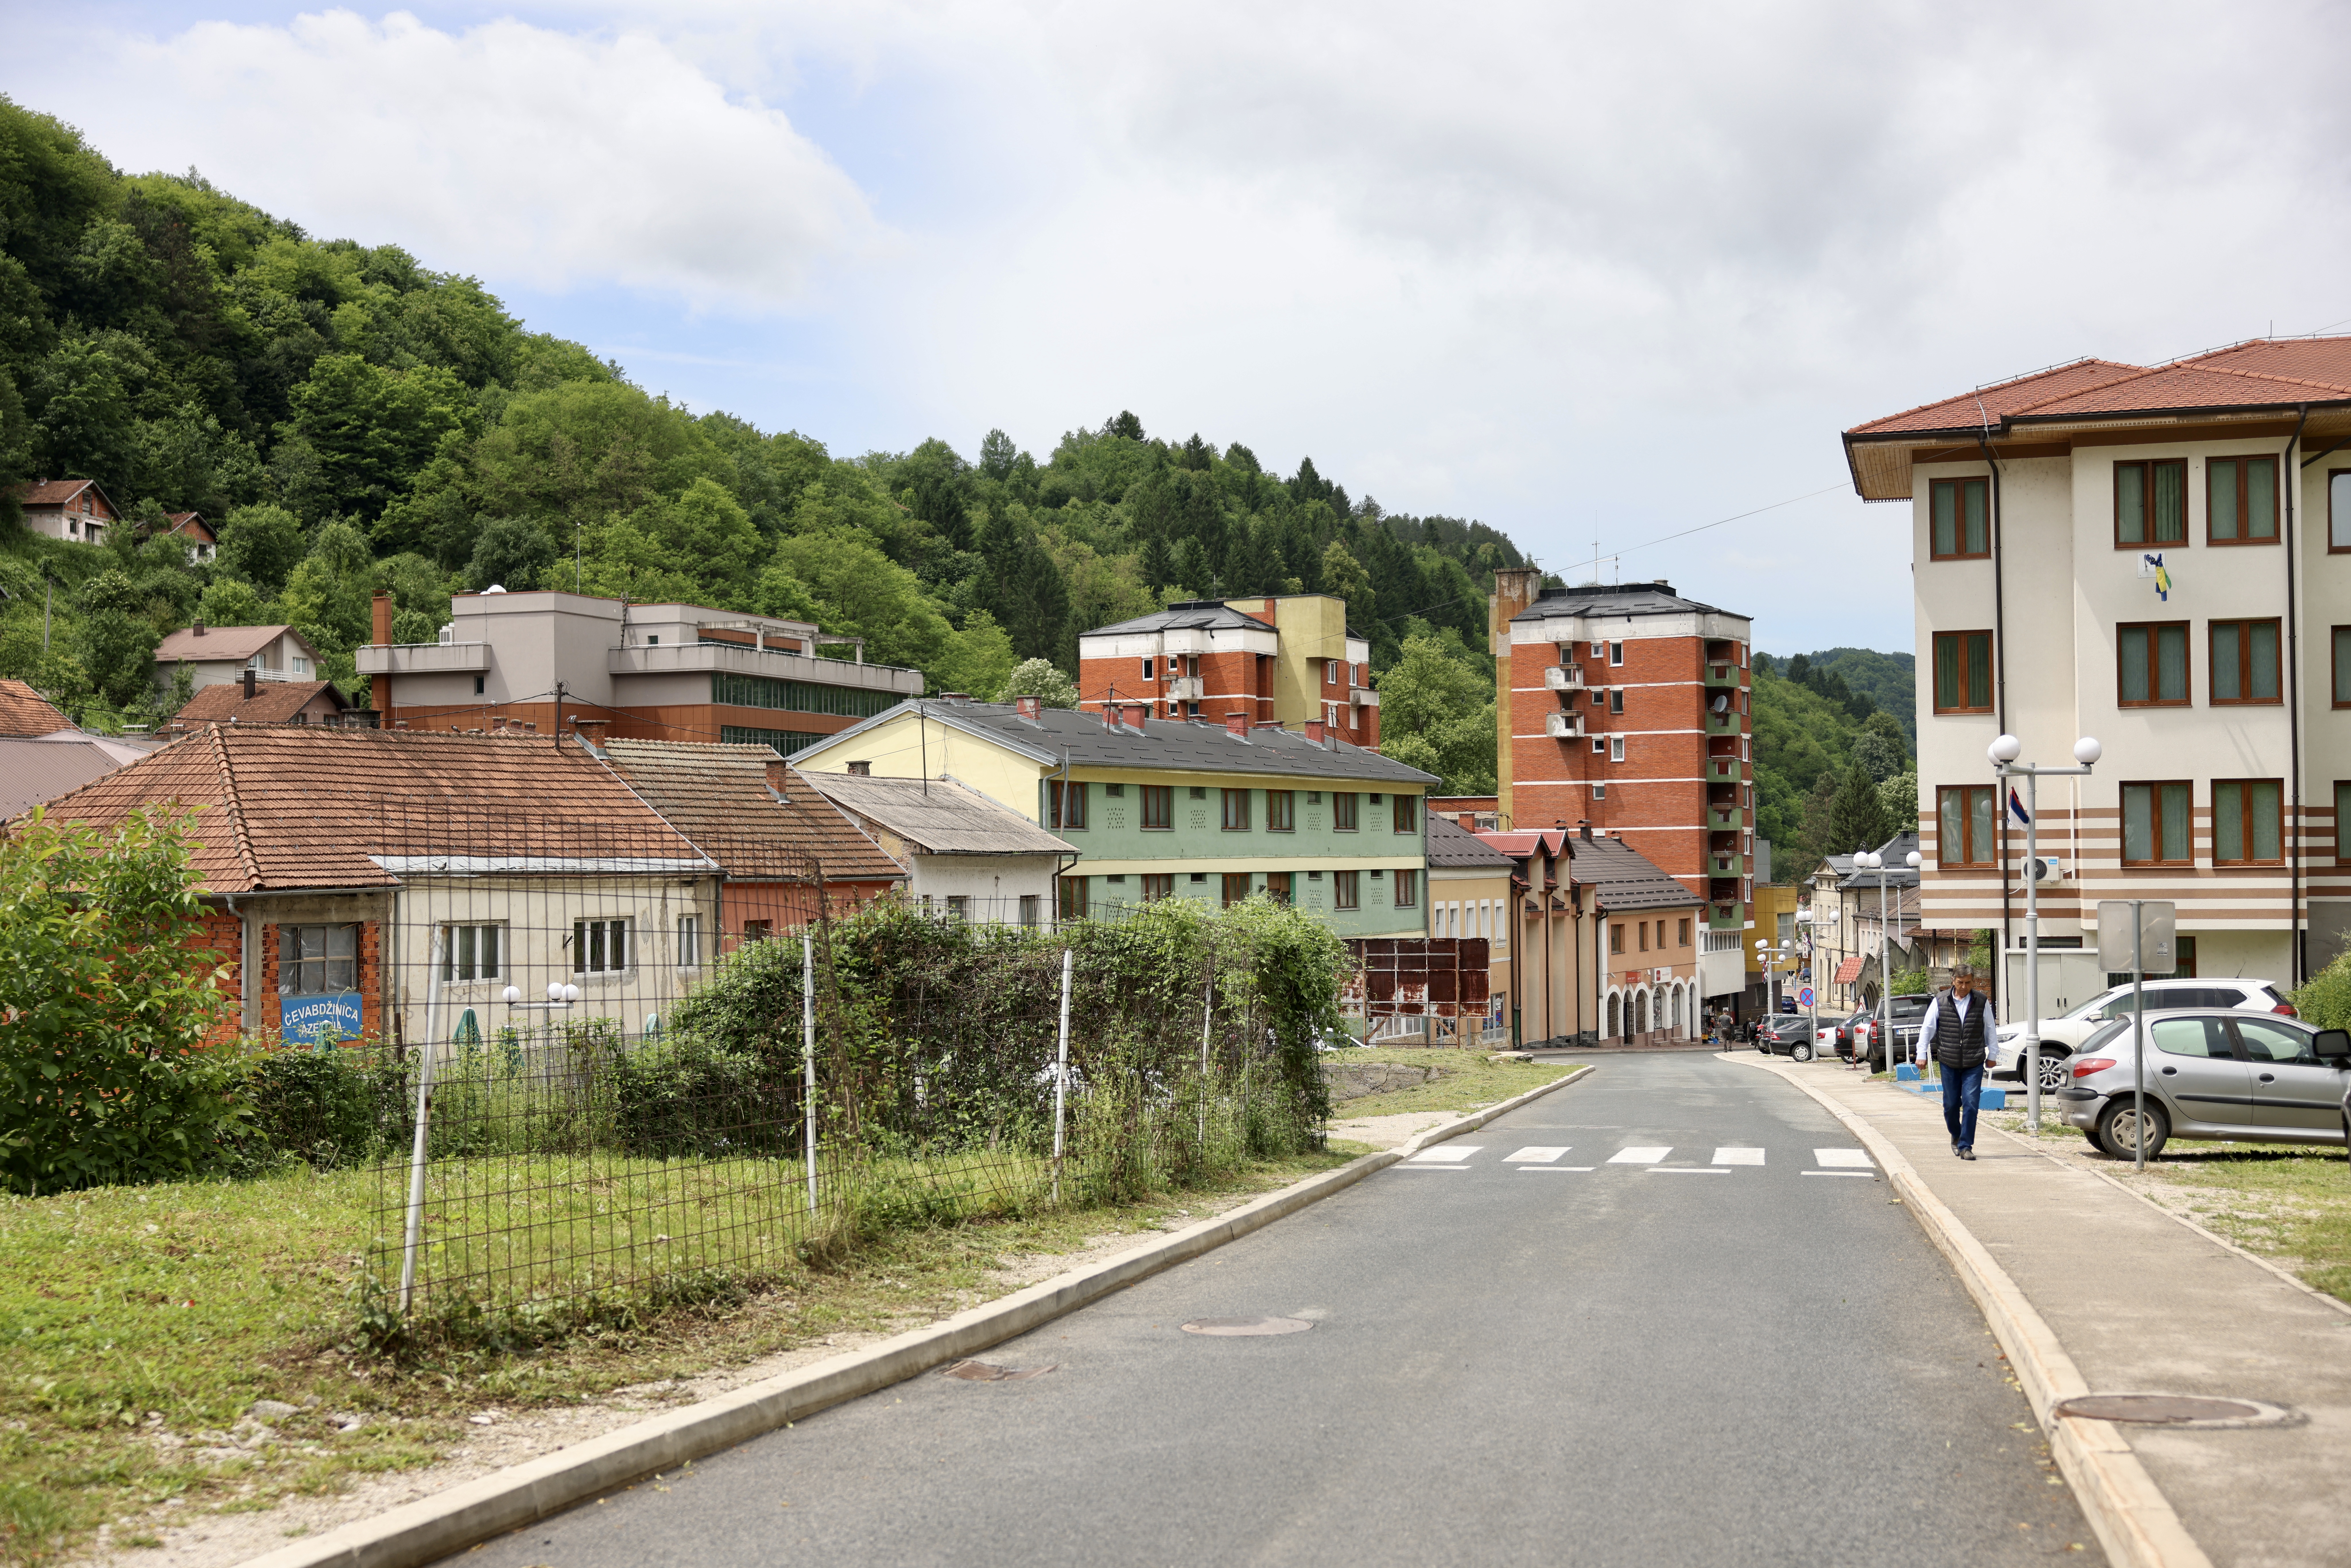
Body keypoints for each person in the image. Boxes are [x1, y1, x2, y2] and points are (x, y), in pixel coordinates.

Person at [1914, 964, 1997, 1159]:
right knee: (1951, 1105)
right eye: (1960, 982)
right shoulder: (1941, 1001)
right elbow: (1928, 1029)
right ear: (1953, 981)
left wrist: (1993, 1055)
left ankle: (1966, 1146)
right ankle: (1956, 1135)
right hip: (1949, 1060)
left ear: (1973, 982)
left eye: (1968, 983)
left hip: (1974, 1061)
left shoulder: (1981, 1001)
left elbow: (1990, 1029)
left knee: (1971, 1104)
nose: (1964, 987)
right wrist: (1921, 1054)